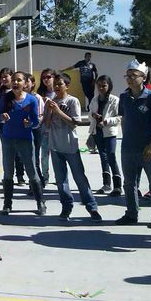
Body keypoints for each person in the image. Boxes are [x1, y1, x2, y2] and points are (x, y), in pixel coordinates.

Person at [44, 72, 102, 222]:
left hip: (70, 146)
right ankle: (66, 206)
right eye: (55, 84)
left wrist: (58, 111)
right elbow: (46, 124)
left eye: (60, 84)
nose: (56, 87)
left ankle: (92, 206)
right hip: (55, 146)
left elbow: (74, 123)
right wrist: (49, 110)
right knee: (61, 179)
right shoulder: (51, 101)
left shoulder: (72, 101)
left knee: (79, 177)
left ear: (67, 86)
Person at [116, 60, 151, 229]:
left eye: (133, 76)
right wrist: (125, 138)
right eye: (127, 76)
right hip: (128, 148)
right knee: (129, 183)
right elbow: (123, 119)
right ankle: (131, 213)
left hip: (146, 147)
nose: (130, 79)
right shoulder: (123, 97)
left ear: (143, 77)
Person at [0, 72, 46, 215]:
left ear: (25, 83)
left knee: (32, 171)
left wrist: (30, 123)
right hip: (8, 139)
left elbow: (36, 121)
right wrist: (2, 119)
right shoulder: (5, 98)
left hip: (25, 139)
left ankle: (40, 203)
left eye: (19, 80)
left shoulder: (32, 100)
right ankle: (7, 204)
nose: (16, 83)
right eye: (14, 80)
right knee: (8, 172)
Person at [88, 75, 122, 196]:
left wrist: (107, 121)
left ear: (109, 86)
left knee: (111, 156)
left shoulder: (115, 100)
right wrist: (93, 116)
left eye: (104, 85)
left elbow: (119, 117)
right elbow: (89, 114)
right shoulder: (94, 99)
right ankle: (107, 184)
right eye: (99, 85)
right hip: (97, 132)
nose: (101, 88)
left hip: (109, 132)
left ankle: (118, 185)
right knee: (103, 157)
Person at [0, 68, 25, 185]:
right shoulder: (0, 92)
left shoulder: (20, 91)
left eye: (6, 76)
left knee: (19, 152)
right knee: (7, 152)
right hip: (4, 127)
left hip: (18, 126)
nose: (3, 79)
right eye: (2, 77)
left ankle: (20, 176)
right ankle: (7, 176)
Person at [24, 73, 45, 188]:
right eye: (24, 81)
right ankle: (39, 181)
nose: (25, 84)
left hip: (36, 130)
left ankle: (36, 185)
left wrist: (33, 123)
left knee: (34, 159)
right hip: (24, 131)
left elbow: (41, 115)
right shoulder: (20, 97)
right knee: (28, 158)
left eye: (28, 81)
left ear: (33, 84)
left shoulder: (37, 98)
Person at [36, 68, 56, 187]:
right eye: (43, 77)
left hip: (57, 128)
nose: (46, 80)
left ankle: (60, 176)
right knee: (44, 155)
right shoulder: (40, 94)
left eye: (48, 77)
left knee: (58, 155)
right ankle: (45, 176)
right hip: (44, 128)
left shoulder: (58, 92)